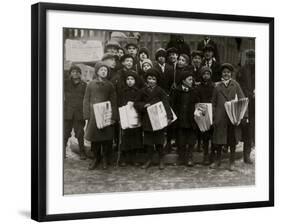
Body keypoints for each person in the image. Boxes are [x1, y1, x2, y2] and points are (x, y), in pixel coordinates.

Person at [135, 68, 173, 170]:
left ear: (157, 80)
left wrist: (169, 116)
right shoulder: (142, 91)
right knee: (149, 142)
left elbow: (166, 104)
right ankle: (149, 160)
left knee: (159, 141)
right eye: (149, 78)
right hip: (147, 120)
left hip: (158, 120)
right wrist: (143, 105)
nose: (151, 81)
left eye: (154, 79)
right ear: (146, 80)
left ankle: (161, 160)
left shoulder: (160, 91)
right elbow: (136, 103)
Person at [211, 63, 245, 171]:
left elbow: (242, 100)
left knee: (231, 140)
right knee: (219, 141)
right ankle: (218, 161)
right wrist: (214, 115)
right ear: (222, 73)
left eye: (228, 72)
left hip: (232, 117)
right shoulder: (217, 86)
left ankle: (232, 162)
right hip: (220, 117)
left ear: (231, 74)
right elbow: (213, 102)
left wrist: (243, 115)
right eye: (224, 72)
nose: (226, 74)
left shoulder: (235, 85)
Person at [83, 62, 117, 170]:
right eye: (101, 70)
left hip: (106, 115)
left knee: (106, 139)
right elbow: (86, 100)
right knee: (95, 139)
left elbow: (113, 101)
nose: (104, 72)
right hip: (94, 116)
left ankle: (105, 159)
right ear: (97, 71)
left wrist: (113, 117)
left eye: (105, 70)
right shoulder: (91, 85)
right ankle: (96, 158)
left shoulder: (110, 85)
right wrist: (87, 115)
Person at [171, 71, 199, 166]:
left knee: (191, 139)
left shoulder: (194, 91)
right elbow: (173, 105)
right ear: (183, 81)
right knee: (180, 140)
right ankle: (181, 157)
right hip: (180, 120)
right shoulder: (176, 91)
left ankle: (190, 157)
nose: (192, 81)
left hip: (191, 120)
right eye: (189, 79)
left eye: (192, 79)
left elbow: (197, 104)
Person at [118, 71, 143, 166]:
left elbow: (140, 102)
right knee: (126, 137)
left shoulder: (138, 91)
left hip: (135, 117)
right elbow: (119, 103)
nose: (130, 81)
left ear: (135, 81)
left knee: (135, 137)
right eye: (128, 79)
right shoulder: (122, 91)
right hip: (125, 117)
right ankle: (125, 158)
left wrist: (134, 105)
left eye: (132, 79)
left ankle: (134, 158)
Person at [64, 65, 87, 160]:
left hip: (79, 113)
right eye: (73, 72)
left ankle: (82, 152)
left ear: (80, 74)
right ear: (70, 74)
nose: (75, 73)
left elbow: (86, 99)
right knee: (65, 133)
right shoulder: (65, 83)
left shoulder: (84, 85)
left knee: (80, 133)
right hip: (67, 113)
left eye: (77, 72)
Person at [237, 49, 255, 164]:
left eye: (252, 57)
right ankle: (245, 154)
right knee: (246, 127)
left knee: (252, 128)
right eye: (249, 57)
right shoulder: (242, 70)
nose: (251, 59)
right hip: (245, 102)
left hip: (256, 104)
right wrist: (248, 94)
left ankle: (248, 152)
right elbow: (240, 85)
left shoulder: (261, 69)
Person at [196, 66, 215, 165]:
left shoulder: (214, 86)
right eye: (204, 74)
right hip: (203, 113)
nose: (206, 76)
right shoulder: (198, 87)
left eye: (208, 74)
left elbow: (215, 99)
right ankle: (206, 155)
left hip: (212, 112)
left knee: (212, 134)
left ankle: (212, 154)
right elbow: (197, 99)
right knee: (205, 134)